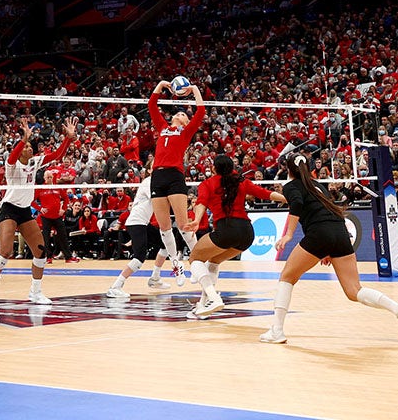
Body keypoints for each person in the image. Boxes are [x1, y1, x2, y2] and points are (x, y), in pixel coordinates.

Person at [259, 153, 398, 344]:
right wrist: (328, 249)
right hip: (340, 233)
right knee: (354, 290)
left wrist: (289, 234)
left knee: (287, 277)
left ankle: (277, 330)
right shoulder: (317, 185)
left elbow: (297, 204)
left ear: (288, 169)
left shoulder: (292, 186)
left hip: (319, 233)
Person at [0, 116, 77, 309]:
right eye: (26, 147)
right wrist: (23, 139)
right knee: (6, 251)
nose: (29, 148)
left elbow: (57, 155)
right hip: (9, 209)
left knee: (40, 251)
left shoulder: (35, 161)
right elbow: (13, 154)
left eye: (30, 146)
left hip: (24, 211)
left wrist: (69, 138)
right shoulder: (11, 165)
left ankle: (35, 292)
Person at [183, 155, 286, 318]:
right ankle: (203, 305)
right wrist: (287, 199)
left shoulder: (207, 184)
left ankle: (214, 298)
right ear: (232, 168)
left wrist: (196, 220)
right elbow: (265, 193)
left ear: (214, 169)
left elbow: (200, 203)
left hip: (226, 228)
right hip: (247, 232)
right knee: (214, 261)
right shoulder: (241, 182)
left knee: (194, 258)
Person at [148, 79, 206, 273]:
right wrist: (162, 84)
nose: (179, 114)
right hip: (157, 176)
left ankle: (199, 260)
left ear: (186, 122)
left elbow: (201, 112)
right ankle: (176, 263)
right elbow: (152, 105)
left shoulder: (186, 131)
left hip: (174, 175)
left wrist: (195, 89)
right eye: (178, 112)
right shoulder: (163, 127)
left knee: (182, 224)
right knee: (164, 227)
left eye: (183, 114)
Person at [104, 169, 174, 298]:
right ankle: (115, 287)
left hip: (143, 223)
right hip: (136, 222)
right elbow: (157, 200)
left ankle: (155, 278)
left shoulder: (157, 183)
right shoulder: (148, 182)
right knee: (139, 258)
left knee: (165, 245)